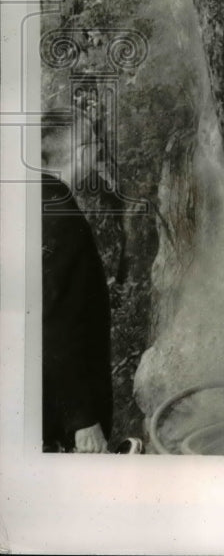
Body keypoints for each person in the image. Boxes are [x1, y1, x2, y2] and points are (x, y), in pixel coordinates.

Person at [41, 149, 113, 453]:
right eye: (92, 147)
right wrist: (81, 418)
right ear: (79, 153)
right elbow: (56, 321)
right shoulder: (58, 211)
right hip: (56, 416)